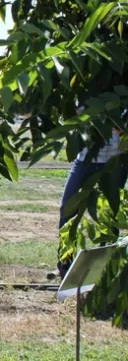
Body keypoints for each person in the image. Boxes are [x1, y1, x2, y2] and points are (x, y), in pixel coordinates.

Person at [55, 112, 128, 278]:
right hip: (85, 159)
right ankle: (65, 265)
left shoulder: (121, 93)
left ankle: (102, 267)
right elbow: (74, 116)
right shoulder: (87, 91)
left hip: (115, 161)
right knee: (67, 208)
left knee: (110, 214)